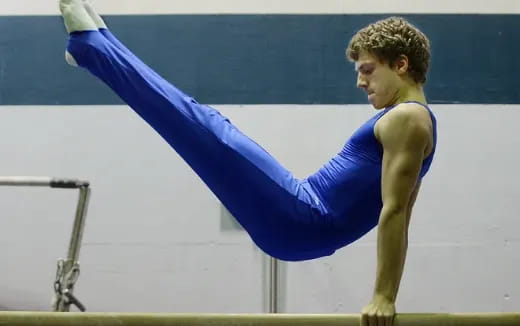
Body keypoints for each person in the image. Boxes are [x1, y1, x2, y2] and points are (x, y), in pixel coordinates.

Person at [59, 1, 436, 325]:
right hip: (302, 218)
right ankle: (98, 44)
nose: (360, 83)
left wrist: (384, 296)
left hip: (302, 220)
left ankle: (93, 47)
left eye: (367, 70)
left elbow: (396, 212)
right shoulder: (416, 121)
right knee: (201, 126)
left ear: (401, 64)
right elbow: (400, 214)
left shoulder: (409, 119)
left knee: (203, 126)